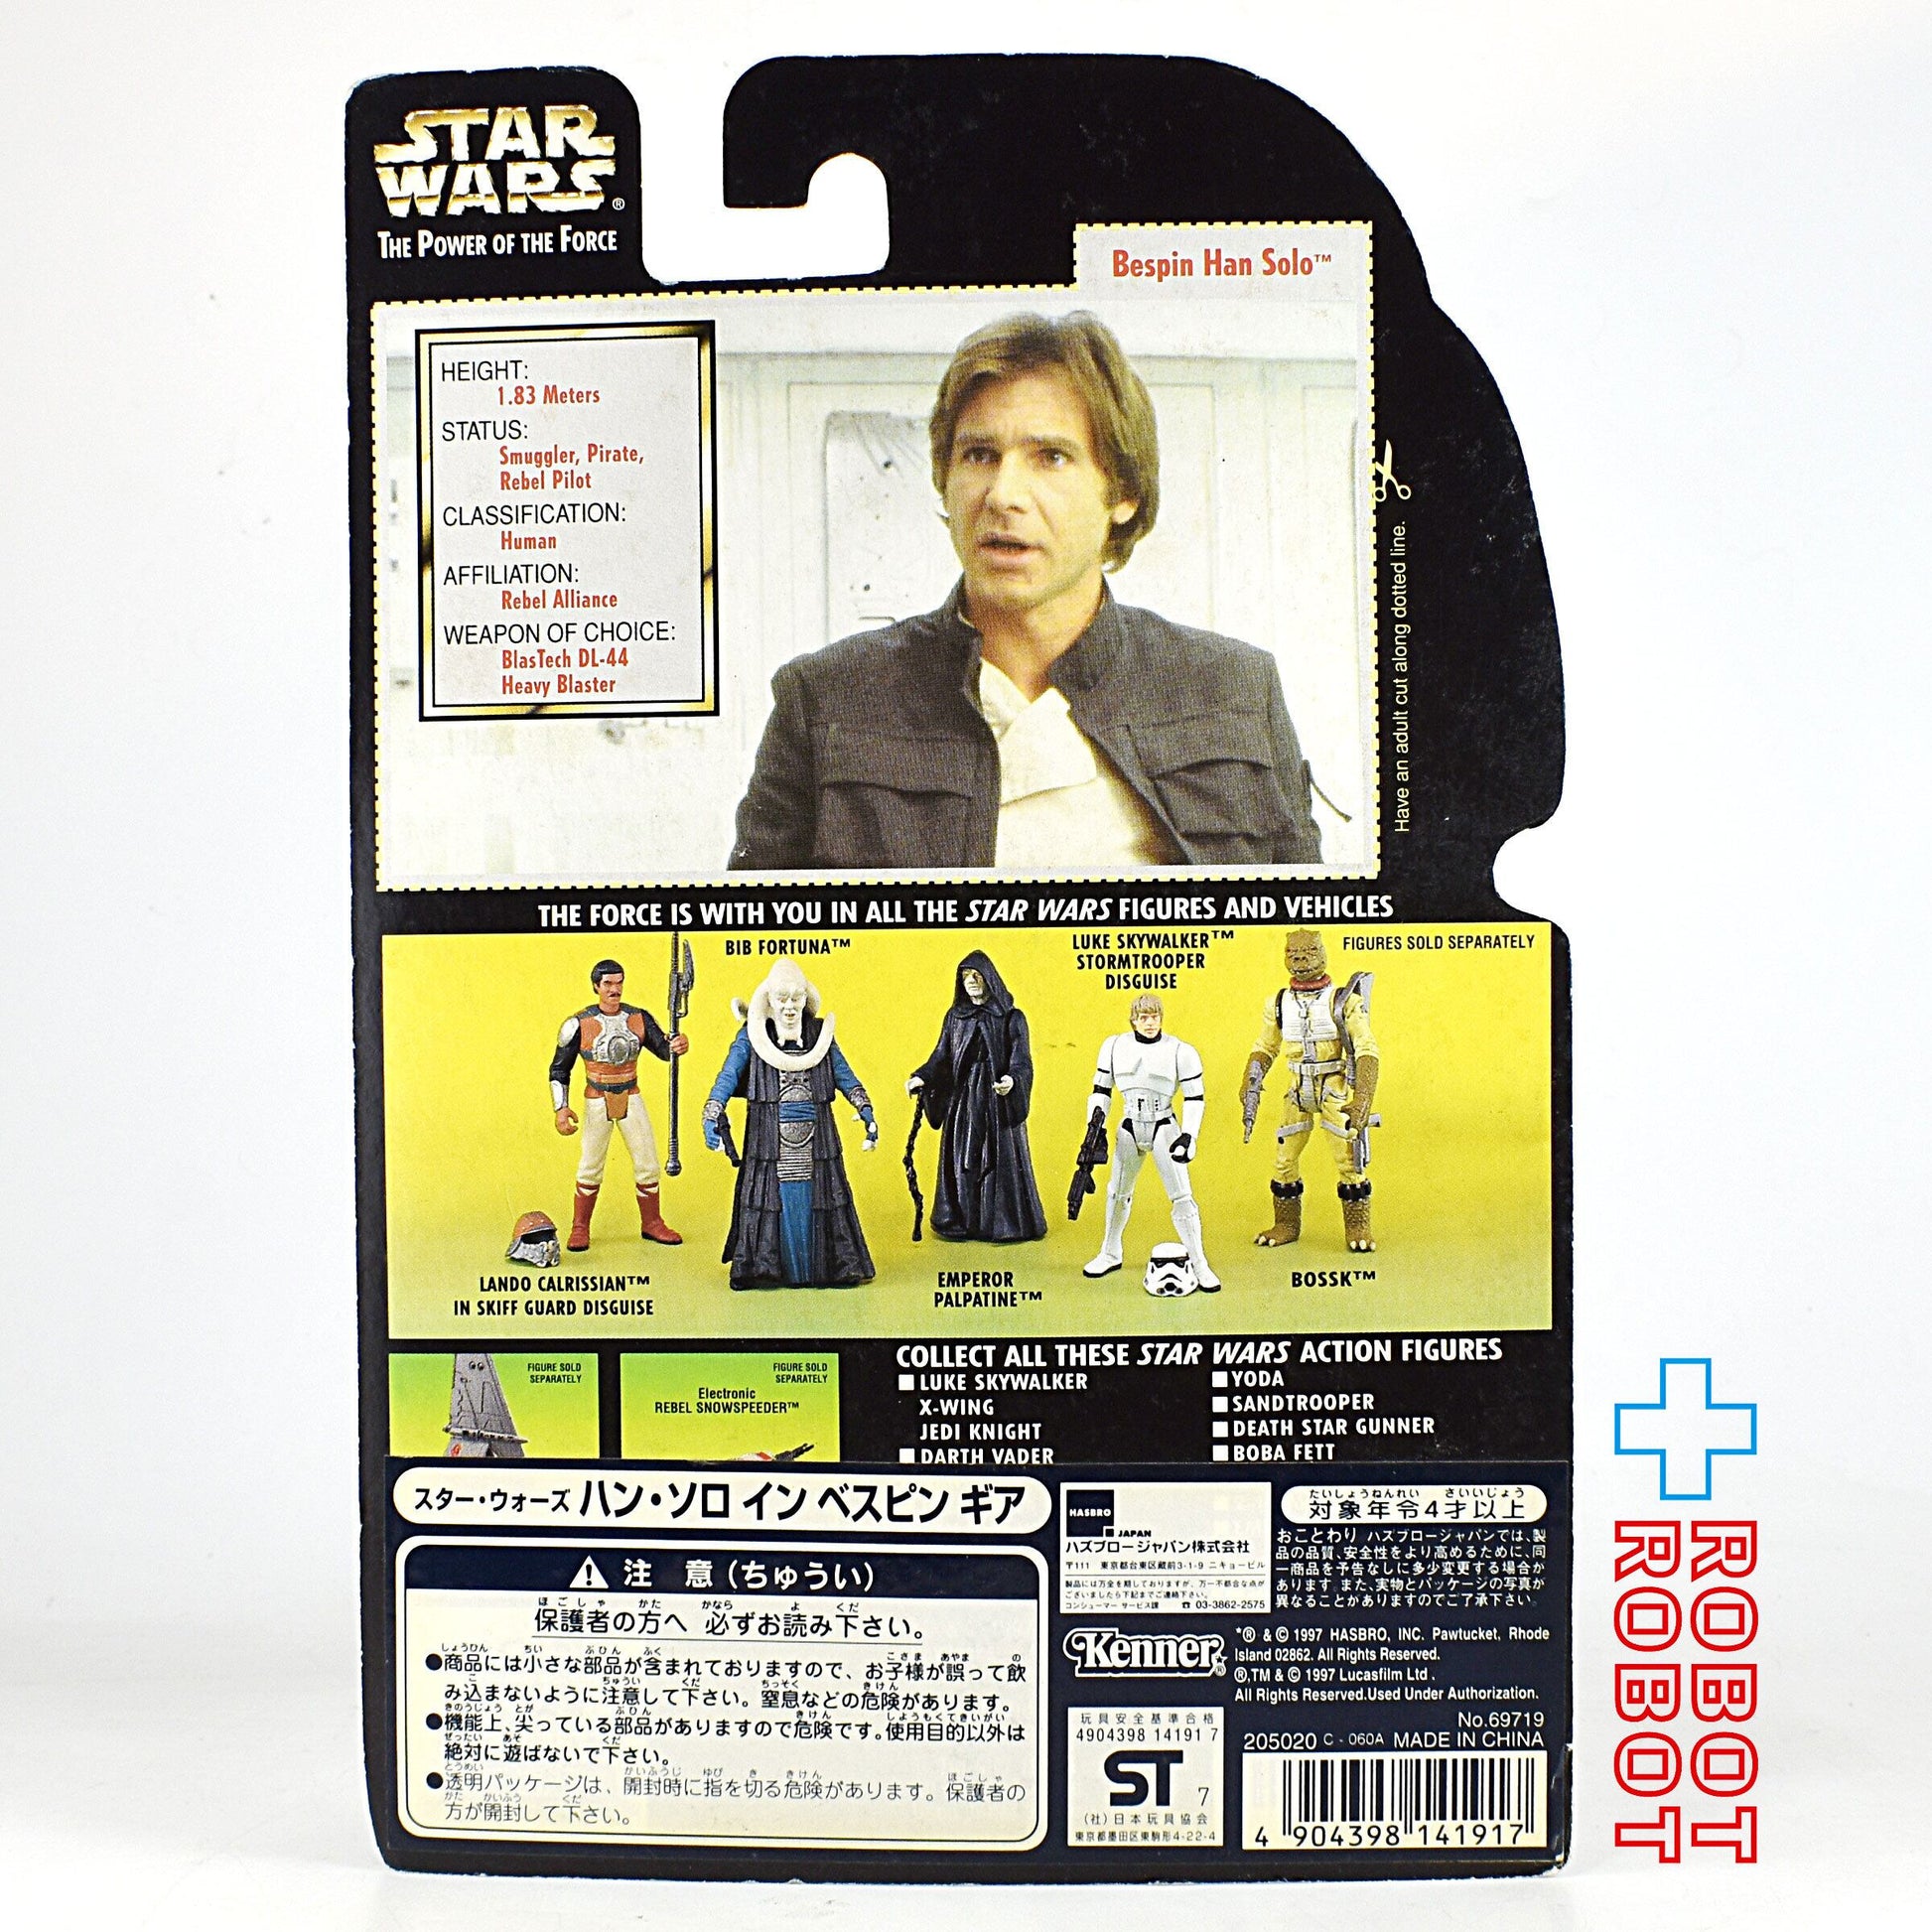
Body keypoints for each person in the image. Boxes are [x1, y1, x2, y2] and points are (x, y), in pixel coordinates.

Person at [729, 311, 1321, 870]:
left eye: (1051, 457)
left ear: (1123, 493)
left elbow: (1306, 928)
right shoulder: (824, 701)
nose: (1003, 494)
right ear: (945, 478)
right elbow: (749, 936)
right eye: (979, 455)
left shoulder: (1235, 690)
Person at [702, 957, 878, 1289]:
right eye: (782, 999)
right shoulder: (751, 1035)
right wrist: (712, 1112)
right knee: (767, 1200)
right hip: (768, 1139)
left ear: (805, 999)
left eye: (796, 998)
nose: (789, 1007)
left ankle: (833, 1267)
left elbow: (844, 1074)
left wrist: (864, 1107)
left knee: (824, 1198)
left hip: (819, 1140)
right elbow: (728, 1076)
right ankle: (763, 1268)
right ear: (769, 1001)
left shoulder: (819, 1034)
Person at [1241, 928, 1380, 1253]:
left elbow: (1366, 1048)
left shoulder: (1343, 1001)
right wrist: (1250, 1079)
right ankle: (1286, 1224)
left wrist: (1362, 1098)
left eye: (1309, 952)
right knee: (1283, 1160)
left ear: (1322, 953)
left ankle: (1358, 1226)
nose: (1301, 959)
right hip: (1297, 1088)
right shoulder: (1278, 1003)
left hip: (1334, 1086)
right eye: (1293, 953)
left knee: (1349, 1161)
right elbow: (1265, 1046)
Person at [1082, 993, 1220, 1292]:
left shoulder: (1180, 1051)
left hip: (1163, 1126)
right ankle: (1109, 1251)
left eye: (1154, 1016)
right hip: (1129, 1124)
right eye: (1143, 1017)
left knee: (1182, 1197)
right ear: (1133, 1019)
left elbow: (1195, 1098)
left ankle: (1199, 1263)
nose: (1149, 1023)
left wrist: (1189, 1136)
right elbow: (1101, 1090)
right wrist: (1095, 1127)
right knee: (1117, 1193)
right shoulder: (1114, 1047)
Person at [906, 950, 1046, 1243]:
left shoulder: (1011, 1018)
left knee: (998, 1157)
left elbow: (1022, 1060)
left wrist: (1012, 1080)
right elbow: (942, 1056)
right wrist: (922, 1076)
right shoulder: (955, 1018)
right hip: (964, 1099)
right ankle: (961, 1219)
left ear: (988, 978)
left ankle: (1001, 1223)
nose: (970, 981)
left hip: (997, 1100)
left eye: (976, 976)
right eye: (965, 977)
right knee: (962, 1157)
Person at [550, 958, 687, 1251]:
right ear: (596, 986)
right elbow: (559, 1070)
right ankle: (580, 1226)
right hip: (597, 1099)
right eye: (608, 984)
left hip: (631, 1095)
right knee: (590, 1165)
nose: (615, 989)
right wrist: (561, 1108)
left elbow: (664, 1050)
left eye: (619, 982)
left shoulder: (638, 1018)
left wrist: (676, 1045)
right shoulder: (578, 1024)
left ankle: (652, 1222)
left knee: (648, 1163)